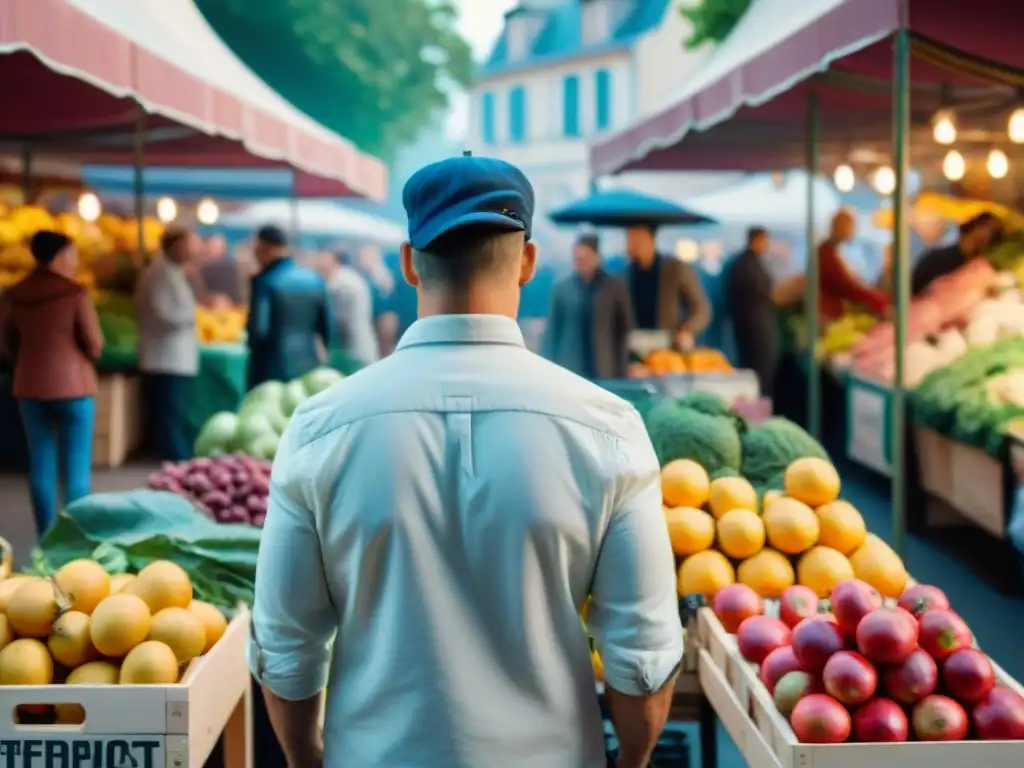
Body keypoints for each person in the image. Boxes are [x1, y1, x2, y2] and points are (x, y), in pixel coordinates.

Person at [249, 155, 683, 768]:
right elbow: (642, 659)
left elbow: (287, 649)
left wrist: (306, 757)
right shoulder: (607, 428)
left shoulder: (321, 428)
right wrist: (631, 761)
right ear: (528, 261)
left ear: (407, 263)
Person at [0, 231, 104, 535]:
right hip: (75, 389)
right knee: (76, 470)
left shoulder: (14, 293)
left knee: (41, 462)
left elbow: (5, 344)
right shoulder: (74, 293)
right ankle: (73, 537)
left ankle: (45, 535)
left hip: (29, 386)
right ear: (58, 257)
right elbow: (94, 343)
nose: (74, 262)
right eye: (71, 255)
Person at [135, 228, 201, 461]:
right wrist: (192, 315)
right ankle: (174, 459)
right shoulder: (159, 273)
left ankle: (174, 457)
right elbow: (164, 314)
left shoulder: (172, 271)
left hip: (172, 355)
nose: (192, 251)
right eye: (187, 245)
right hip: (165, 357)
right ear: (173, 246)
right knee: (168, 413)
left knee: (171, 411)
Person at [246, 225, 333, 390]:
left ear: (264, 247)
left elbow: (259, 330)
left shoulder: (264, 281)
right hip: (308, 363)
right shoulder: (314, 279)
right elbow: (327, 327)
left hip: (271, 368)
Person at [545, 233, 634, 379]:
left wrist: (622, 365)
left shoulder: (614, 287)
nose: (581, 262)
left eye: (585, 257)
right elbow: (553, 331)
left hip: (604, 366)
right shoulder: (563, 289)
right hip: (570, 364)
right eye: (577, 258)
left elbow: (624, 328)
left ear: (596, 257)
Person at [624, 223, 710, 349]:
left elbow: (701, 308)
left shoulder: (675, 268)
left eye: (636, 239)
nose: (631, 245)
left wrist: (686, 330)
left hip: (667, 341)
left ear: (650, 240)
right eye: (629, 240)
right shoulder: (625, 273)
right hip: (633, 342)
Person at [726, 226, 779, 398]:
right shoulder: (747, 265)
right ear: (757, 240)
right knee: (757, 376)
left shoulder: (746, 262)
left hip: (754, 329)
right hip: (755, 332)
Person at [818, 209, 889, 320]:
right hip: (830, 316)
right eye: (849, 225)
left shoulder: (831, 252)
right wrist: (877, 300)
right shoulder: (826, 254)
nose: (852, 230)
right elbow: (846, 286)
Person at [911, 212, 1002, 297]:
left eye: (993, 233)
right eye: (985, 227)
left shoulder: (978, 271)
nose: (987, 234)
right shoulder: (938, 258)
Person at [321, 250, 380, 367]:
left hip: (350, 351)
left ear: (333, 260)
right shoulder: (351, 276)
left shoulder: (338, 283)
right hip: (363, 345)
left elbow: (337, 322)